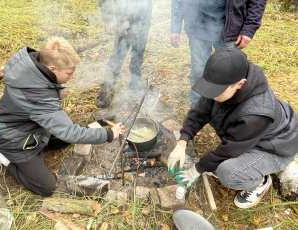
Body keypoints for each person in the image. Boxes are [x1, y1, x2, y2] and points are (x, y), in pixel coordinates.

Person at [0, 37, 125, 197]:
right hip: (15, 142)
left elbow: (56, 120)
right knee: (48, 187)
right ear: (53, 68)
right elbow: (69, 131)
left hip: (34, 130)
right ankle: (2, 157)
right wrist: (109, 134)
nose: (72, 77)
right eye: (69, 73)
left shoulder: (33, 71)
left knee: (66, 137)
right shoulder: (35, 95)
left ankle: (47, 142)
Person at [168, 48, 298, 209]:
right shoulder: (225, 80)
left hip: (274, 147)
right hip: (249, 137)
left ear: (240, 84)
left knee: (227, 172)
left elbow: (229, 150)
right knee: (220, 160)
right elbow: (200, 111)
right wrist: (183, 141)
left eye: (217, 91)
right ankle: (251, 166)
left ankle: (260, 183)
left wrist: (196, 169)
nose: (212, 96)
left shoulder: (255, 113)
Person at [171, 0, 267, 106]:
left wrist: (249, 28)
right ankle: (199, 106)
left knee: (229, 72)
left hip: (231, 27)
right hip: (197, 25)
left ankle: (227, 108)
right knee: (198, 70)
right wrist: (175, 27)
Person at [97, 0, 152, 108]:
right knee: (117, 58)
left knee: (137, 57)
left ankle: (133, 92)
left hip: (143, 19)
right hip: (122, 19)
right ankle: (106, 93)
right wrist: (108, 19)